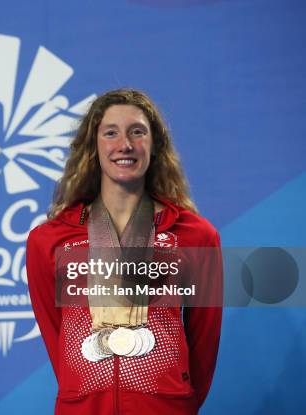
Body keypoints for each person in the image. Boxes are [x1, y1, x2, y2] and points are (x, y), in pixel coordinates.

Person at [26, 88, 222, 415]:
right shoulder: (49, 239)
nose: (125, 145)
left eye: (137, 132)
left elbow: (203, 342)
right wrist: (86, 389)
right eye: (111, 133)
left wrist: (174, 398)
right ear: (94, 145)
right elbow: (55, 335)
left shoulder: (195, 236)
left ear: (154, 145)